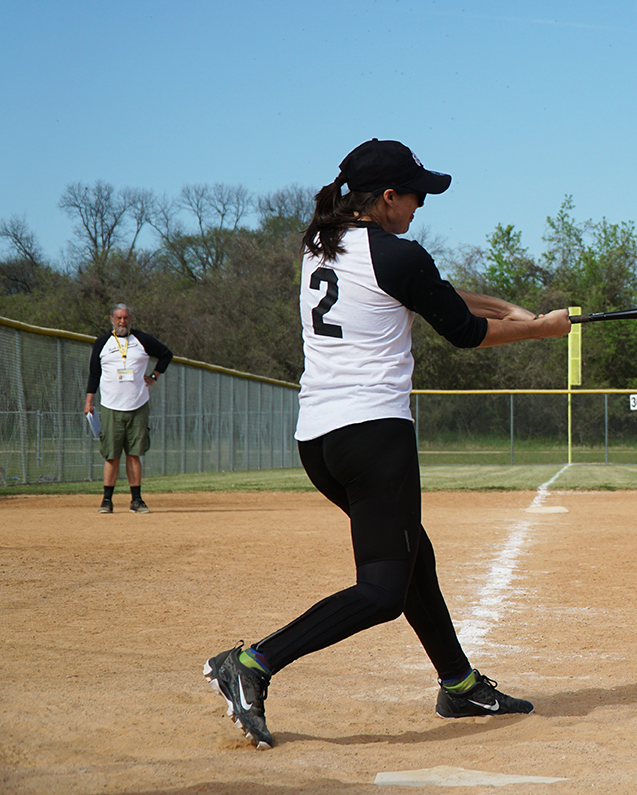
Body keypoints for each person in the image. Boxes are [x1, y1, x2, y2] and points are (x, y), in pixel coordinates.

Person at [203, 139, 571, 750]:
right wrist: (540, 329)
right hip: (374, 437)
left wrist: (510, 306)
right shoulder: (399, 256)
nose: (422, 204)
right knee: (381, 590)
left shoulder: (320, 244)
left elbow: (433, 295)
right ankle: (252, 663)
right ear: (388, 197)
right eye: (416, 193)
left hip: (320, 440)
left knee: (411, 556)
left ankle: (459, 684)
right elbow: (464, 331)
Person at [83, 304, 172, 514]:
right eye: (118, 318)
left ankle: (137, 500)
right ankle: (107, 500)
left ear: (130, 319)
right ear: (111, 319)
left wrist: (154, 377)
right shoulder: (102, 342)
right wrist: (89, 400)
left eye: (126, 318)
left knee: (134, 454)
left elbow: (167, 354)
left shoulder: (142, 340)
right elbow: (94, 373)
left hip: (137, 405)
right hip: (111, 406)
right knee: (111, 455)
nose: (122, 322)